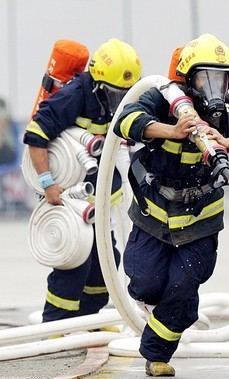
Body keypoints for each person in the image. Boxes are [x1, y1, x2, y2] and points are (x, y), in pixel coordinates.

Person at [114, 34, 229, 377]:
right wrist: (171, 130)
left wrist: (227, 141)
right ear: (188, 77)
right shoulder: (161, 98)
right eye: (205, 77)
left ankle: (156, 355)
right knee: (147, 283)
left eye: (221, 78)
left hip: (200, 220)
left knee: (183, 286)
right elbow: (125, 120)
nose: (215, 86)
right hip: (154, 215)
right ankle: (173, 310)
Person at [23, 38, 142, 322]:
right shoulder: (75, 94)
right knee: (74, 262)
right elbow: (36, 135)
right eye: (114, 94)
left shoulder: (115, 102)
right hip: (67, 193)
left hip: (99, 198)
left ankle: (86, 322)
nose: (119, 102)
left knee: (106, 265)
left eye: (124, 95)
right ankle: (54, 327)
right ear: (99, 83)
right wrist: (47, 184)